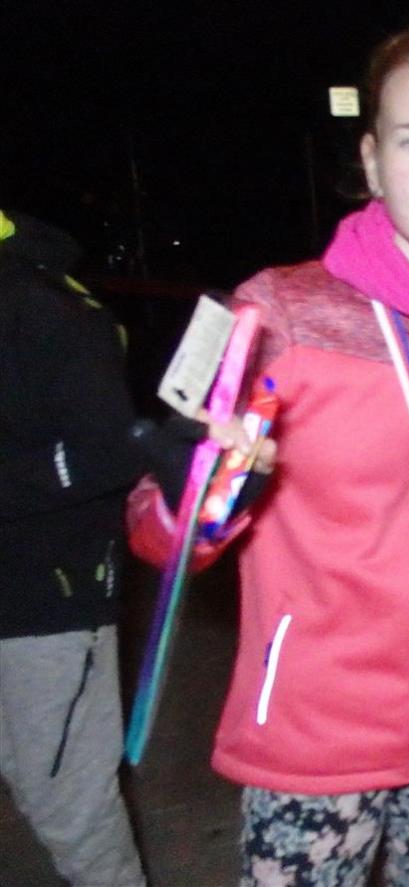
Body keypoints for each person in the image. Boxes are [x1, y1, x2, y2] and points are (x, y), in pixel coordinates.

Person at [126, 23, 409, 886]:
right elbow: (160, 532)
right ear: (373, 161)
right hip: (314, 737)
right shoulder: (278, 312)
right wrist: (200, 493)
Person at [0, 209, 147, 885]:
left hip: (50, 596)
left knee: (69, 805)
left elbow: (107, 451)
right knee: (34, 782)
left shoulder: (42, 306)